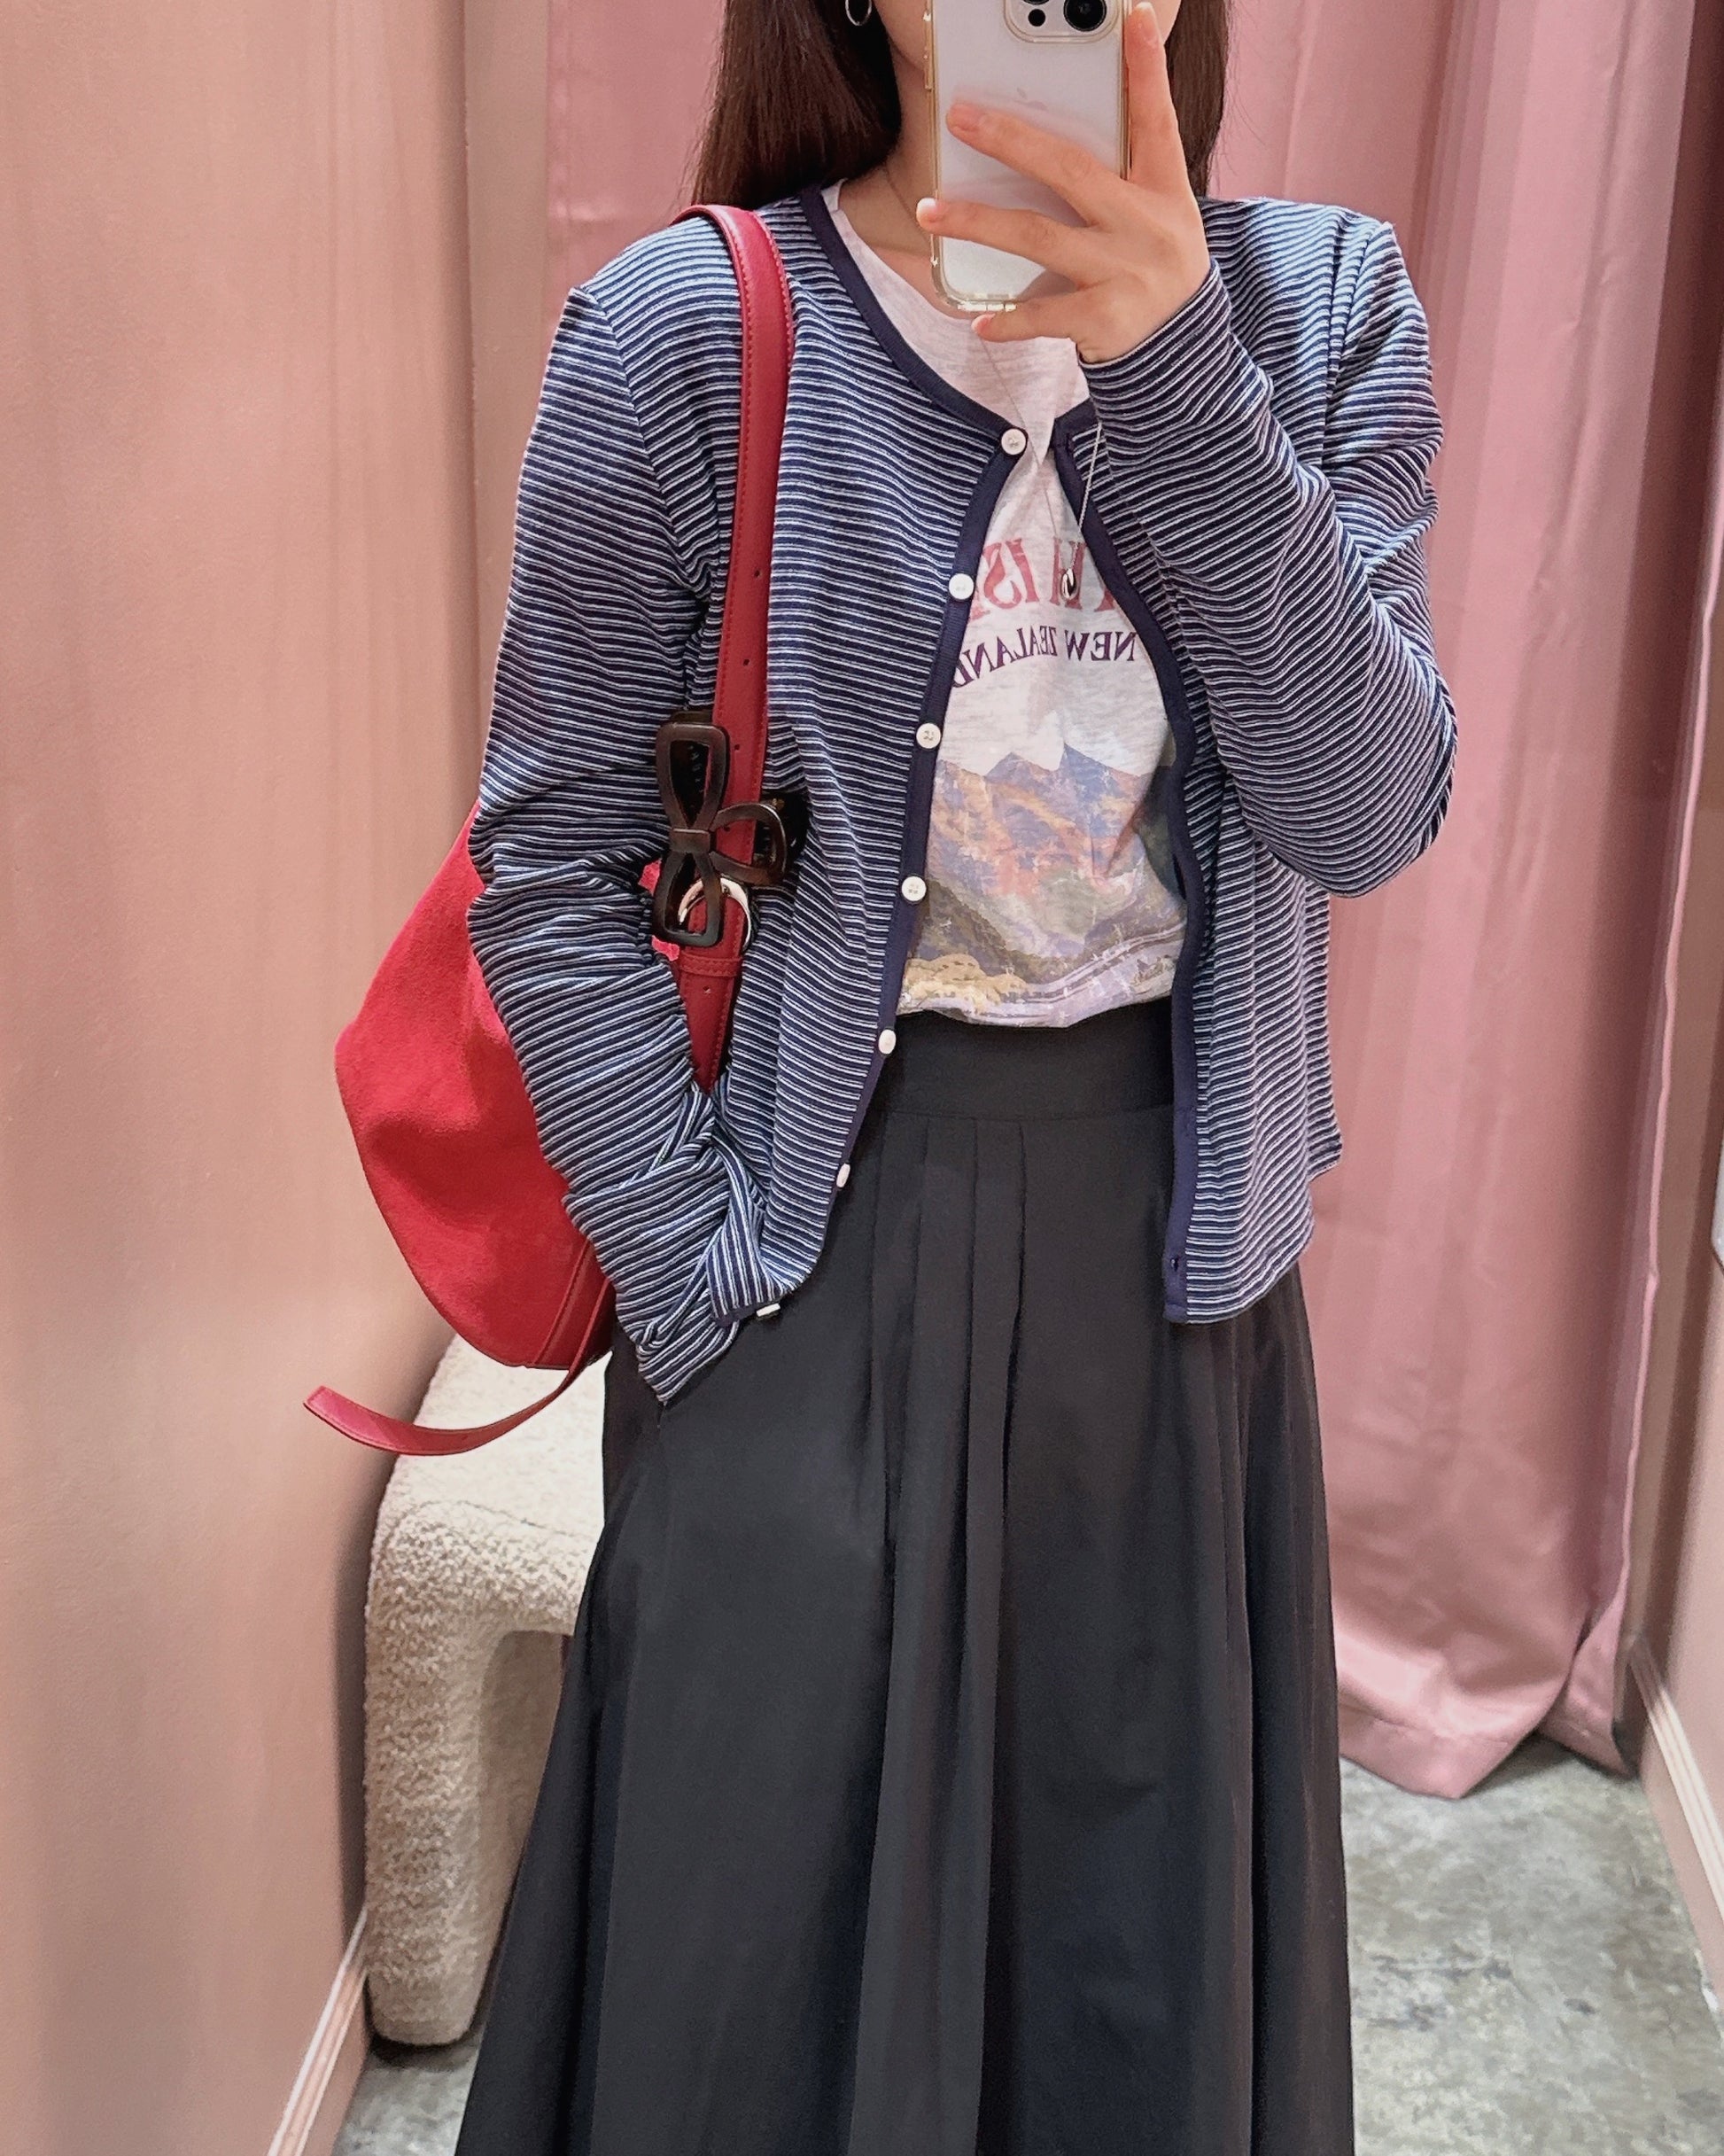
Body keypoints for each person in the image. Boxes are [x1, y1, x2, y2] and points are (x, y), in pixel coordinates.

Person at [451, 0, 1456, 2150]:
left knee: (1116, 1975)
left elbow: (1362, 805)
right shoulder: (684, 334)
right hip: (802, 1236)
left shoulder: (1318, 312)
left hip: (1172, 1274)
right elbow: (550, 869)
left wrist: (1172, 367)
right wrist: (693, 1276)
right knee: (750, 1970)